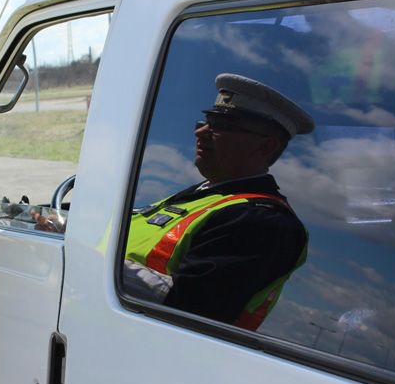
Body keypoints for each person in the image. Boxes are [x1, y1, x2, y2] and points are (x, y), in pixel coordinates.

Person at [123, 73, 312, 330]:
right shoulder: (204, 197)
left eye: (221, 125)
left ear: (266, 146)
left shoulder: (262, 221)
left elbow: (187, 309)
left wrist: (95, 262)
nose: (200, 132)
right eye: (206, 121)